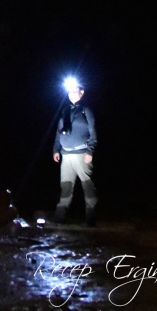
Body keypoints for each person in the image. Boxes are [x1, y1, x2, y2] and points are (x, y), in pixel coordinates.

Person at [52, 76, 97, 226]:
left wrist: (90, 151)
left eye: (74, 91)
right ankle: (59, 218)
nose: (71, 94)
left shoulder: (86, 110)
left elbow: (93, 131)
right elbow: (59, 132)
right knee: (66, 186)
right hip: (66, 155)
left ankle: (90, 218)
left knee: (87, 186)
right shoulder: (65, 110)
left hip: (82, 154)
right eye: (69, 92)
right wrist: (56, 149)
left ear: (81, 93)